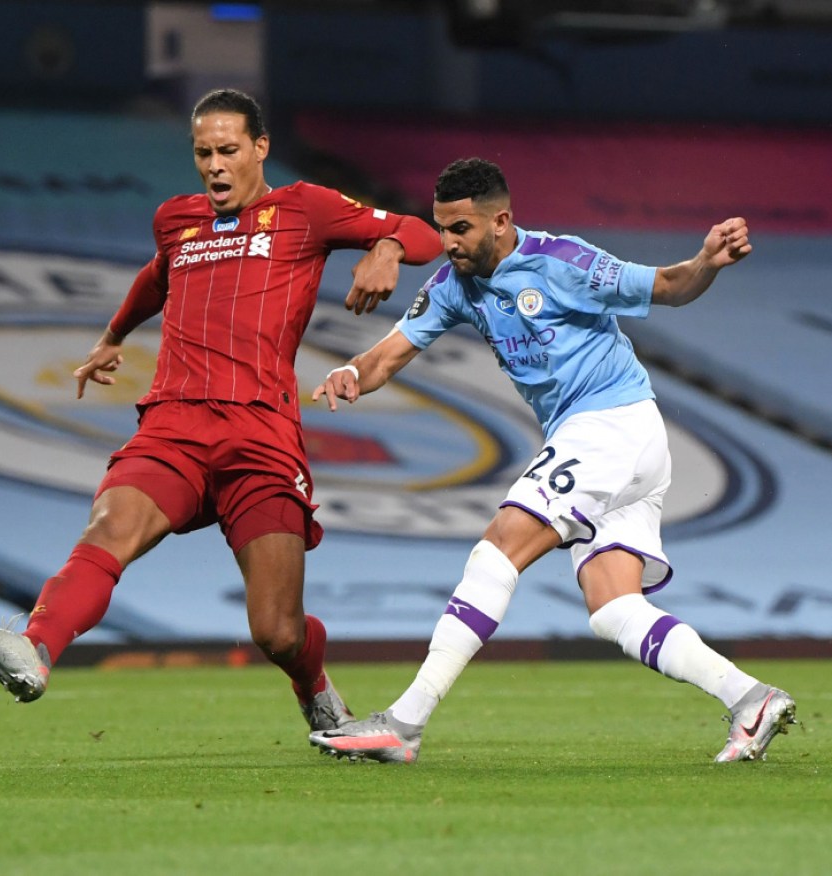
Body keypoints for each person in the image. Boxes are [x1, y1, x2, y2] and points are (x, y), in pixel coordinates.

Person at [0, 88, 442, 732]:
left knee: (277, 630)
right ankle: (35, 649)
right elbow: (156, 278)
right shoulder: (177, 221)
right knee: (107, 530)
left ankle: (312, 683)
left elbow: (421, 232)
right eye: (203, 153)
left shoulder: (305, 209)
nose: (214, 165)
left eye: (228, 151)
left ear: (260, 149)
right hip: (174, 422)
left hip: (261, 433)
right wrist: (114, 336)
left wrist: (389, 247)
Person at [308, 157, 796, 764]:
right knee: (613, 608)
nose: (448, 242)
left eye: (460, 229)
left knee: (499, 547)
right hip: (619, 444)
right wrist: (353, 371)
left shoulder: (563, 262)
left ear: (501, 221)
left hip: (610, 425)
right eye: (441, 227)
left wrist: (705, 263)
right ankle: (751, 699)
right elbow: (390, 354)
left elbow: (666, 286)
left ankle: (403, 724)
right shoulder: (454, 284)